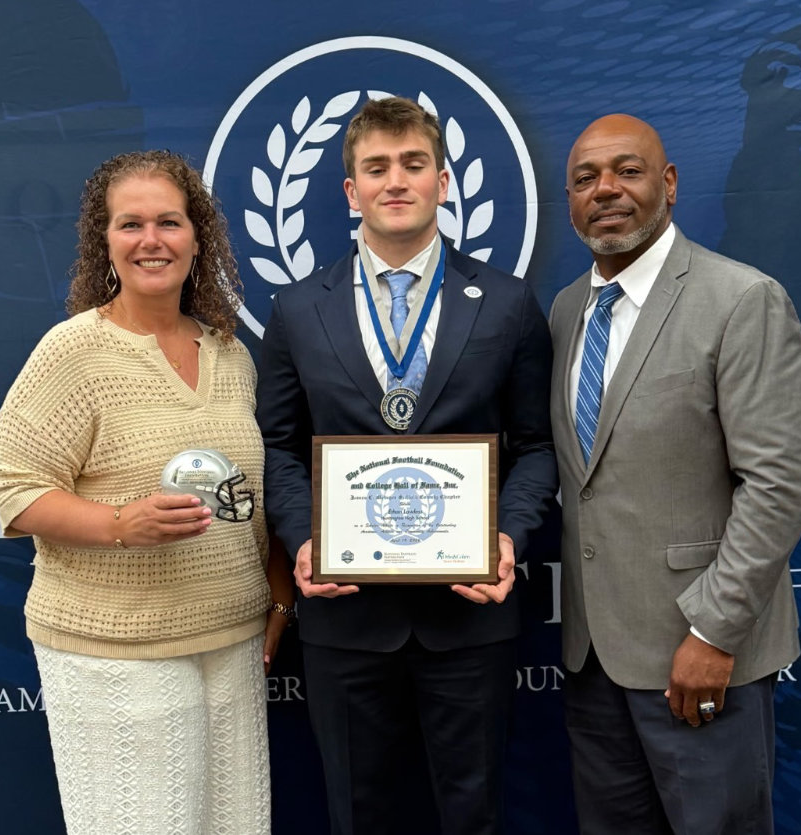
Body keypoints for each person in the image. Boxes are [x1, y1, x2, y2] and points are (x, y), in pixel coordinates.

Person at [256, 96, 557, 835]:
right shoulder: (297, 309)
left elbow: (539, 446)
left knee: (473, 814)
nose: (397, 181)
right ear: (350, 190)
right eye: (376, 167)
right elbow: (278, 446)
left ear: (444, 181)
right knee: (358, 816)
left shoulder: (509, 303)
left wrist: (509, 535)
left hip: (468, 613)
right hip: (345, 614)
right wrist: (302, 540)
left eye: (414, 164)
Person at [0, 150, 294, 835]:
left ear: (198, 236)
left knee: (234, 824)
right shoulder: (74, 351)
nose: (151, 240)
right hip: (114, 644)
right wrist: (122, 522)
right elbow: (14, 488)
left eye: (169, 222)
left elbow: (256, 497)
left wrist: (277, 594)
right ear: (105, 239)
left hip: (230, 636)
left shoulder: (231, 352)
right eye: (131, 224)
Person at [549, 114, 801, 833]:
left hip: (697, 659)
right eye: (585, 178)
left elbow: (779, 483)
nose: (605, 190)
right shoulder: (567, 311)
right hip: (594, 661)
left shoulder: (741, 300)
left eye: (628, 171)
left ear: (668, 184)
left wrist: (715, 632)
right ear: (569, 199)